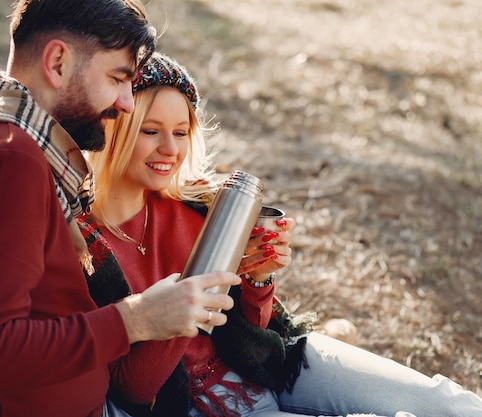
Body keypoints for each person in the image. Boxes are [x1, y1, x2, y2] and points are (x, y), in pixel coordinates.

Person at [0, 2, 241, 417]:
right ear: (57, 62)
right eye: (117, 78)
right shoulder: (7, 161)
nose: (126, 103)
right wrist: (135, 319)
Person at [78, 52, 482, 417]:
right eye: (151, 131)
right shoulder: (84, 245)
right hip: (192, 405)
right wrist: (182, 311)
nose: (170, 149)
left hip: (274, 368)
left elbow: (258, 329)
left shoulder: (199, 207)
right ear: (115, 129)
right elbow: (133, 390)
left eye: (181, 132)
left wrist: (258, 277)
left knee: (448, 404)